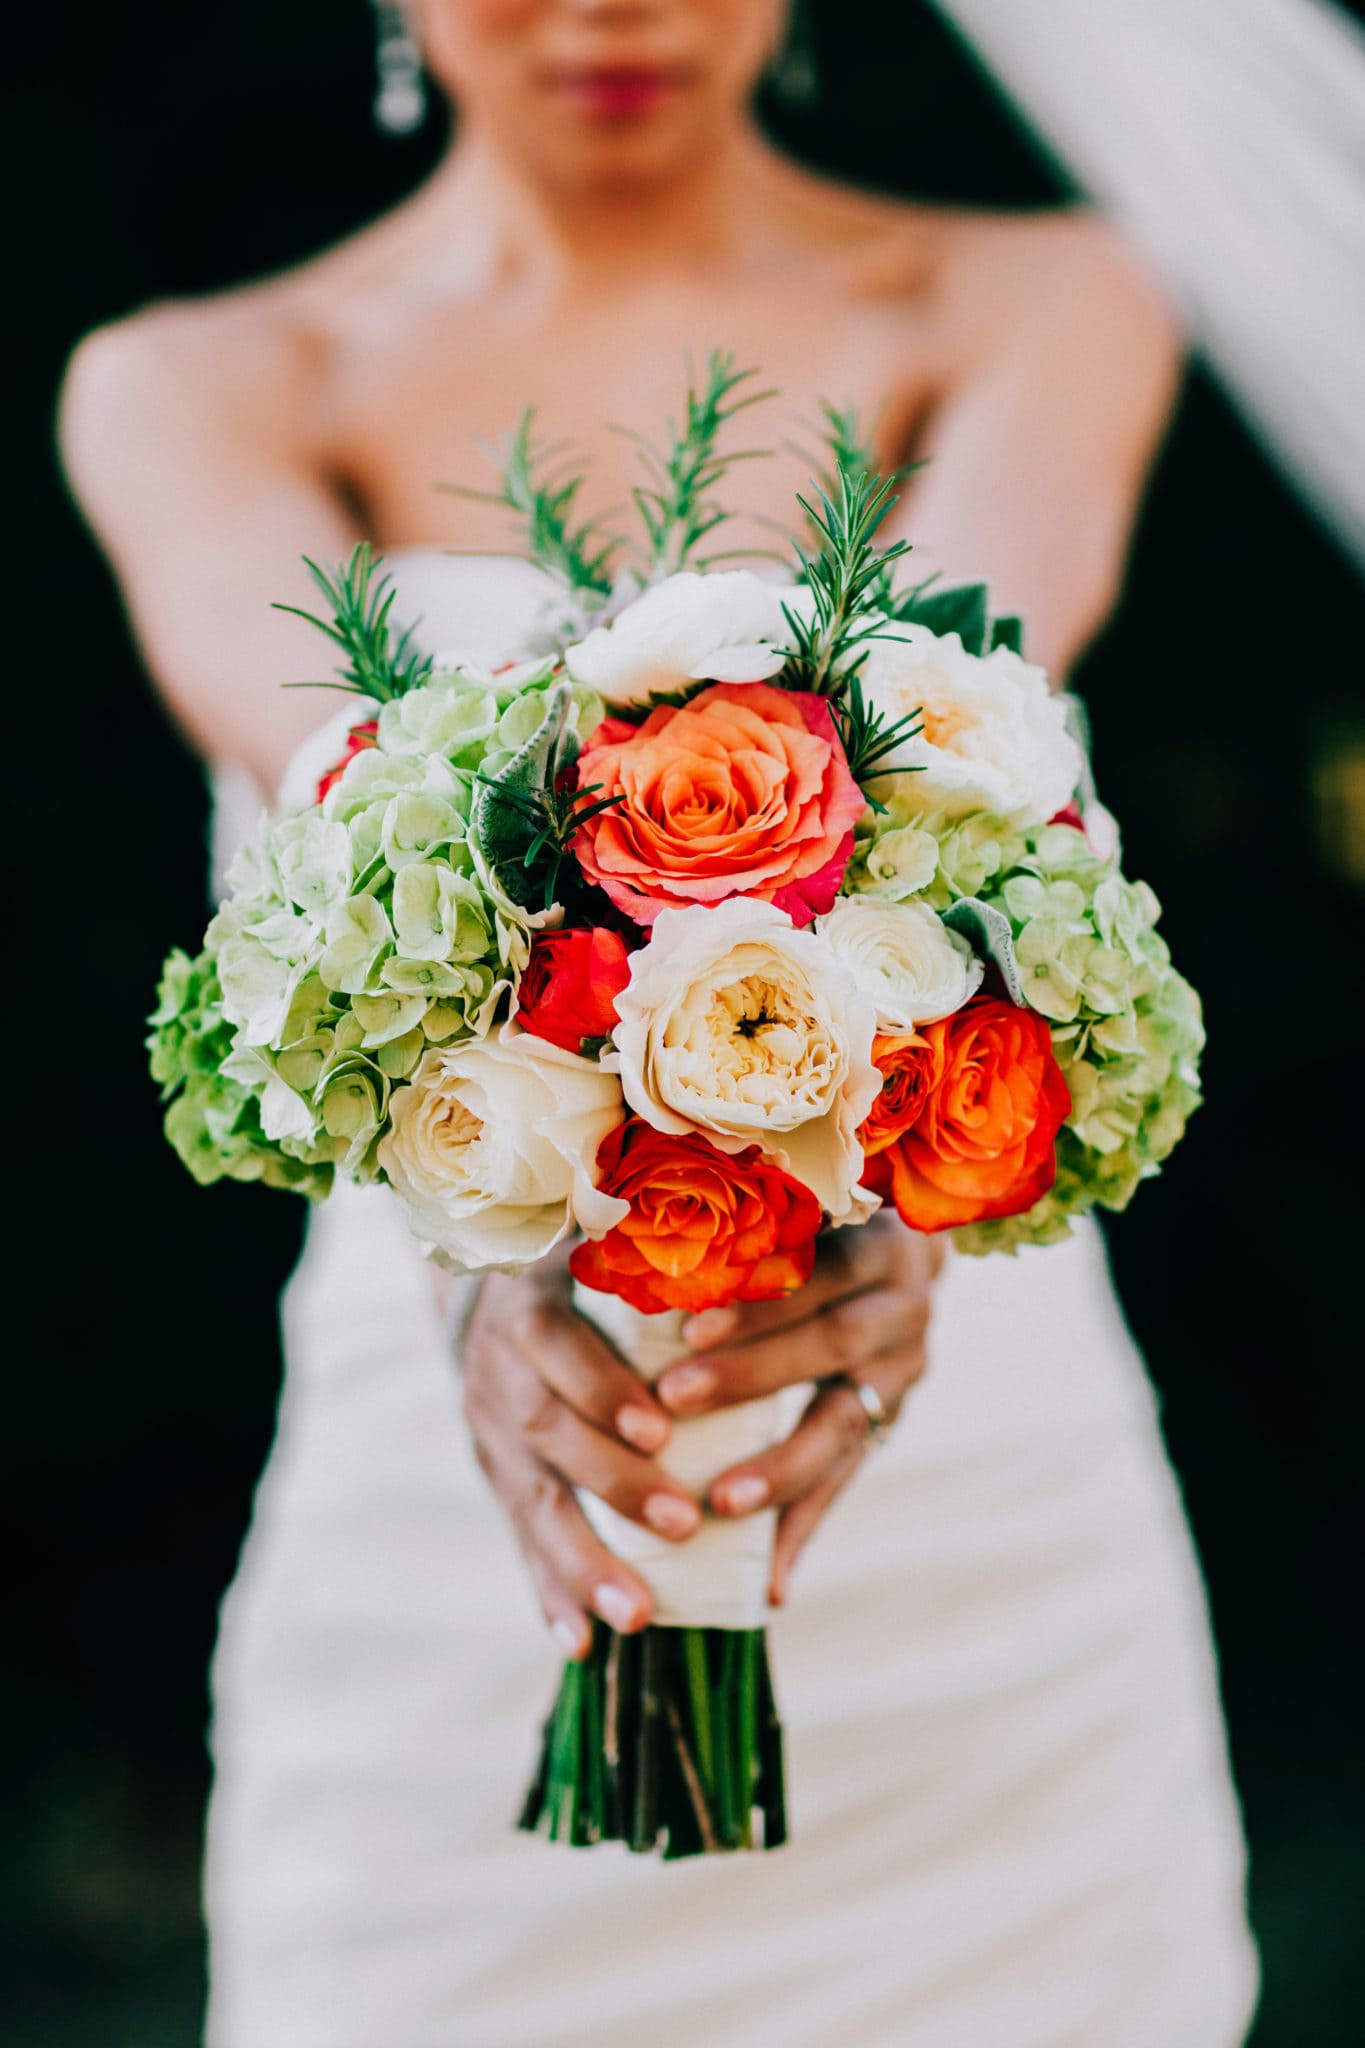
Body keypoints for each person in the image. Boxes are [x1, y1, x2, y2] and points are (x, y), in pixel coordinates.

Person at [60, 4, 1257, 2043]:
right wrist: (480, 1285)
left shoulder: (1044, 294)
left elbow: (924, 782)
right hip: (461, 1476)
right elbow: (339, 786)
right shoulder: (200, 384)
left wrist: (887, 1207)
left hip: (966, 1498)